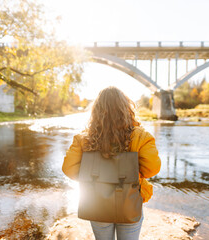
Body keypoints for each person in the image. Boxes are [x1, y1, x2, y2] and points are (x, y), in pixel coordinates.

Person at [62, 86, 161, 240]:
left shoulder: (83, 139)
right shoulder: (141, 136)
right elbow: (152, 169)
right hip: (129, 201)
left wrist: (92, 175)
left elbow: (68, 168)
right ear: (126, 108)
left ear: (96, 111)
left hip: (96, 202)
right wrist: (131, 173)